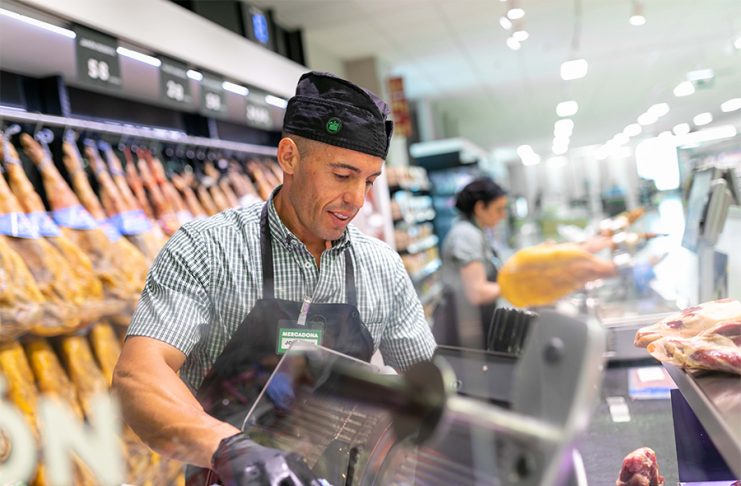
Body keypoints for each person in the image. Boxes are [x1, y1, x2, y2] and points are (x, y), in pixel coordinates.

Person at [112, 71, 437, 485]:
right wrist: (230, 448)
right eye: (342, 175)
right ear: (289, 157)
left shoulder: (383, 267)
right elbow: (137, 375)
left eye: (369, 181)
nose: (357, 199)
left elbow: (425, 389)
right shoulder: (206, 249)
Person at [435, 177, 508, 349]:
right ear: (480, 208)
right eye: (499, 209)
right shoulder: (466, 235)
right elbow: (477, 292)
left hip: (472, 323)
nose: (503, 215)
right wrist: (517, 286)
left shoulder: (477, 231)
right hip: (462, 329)